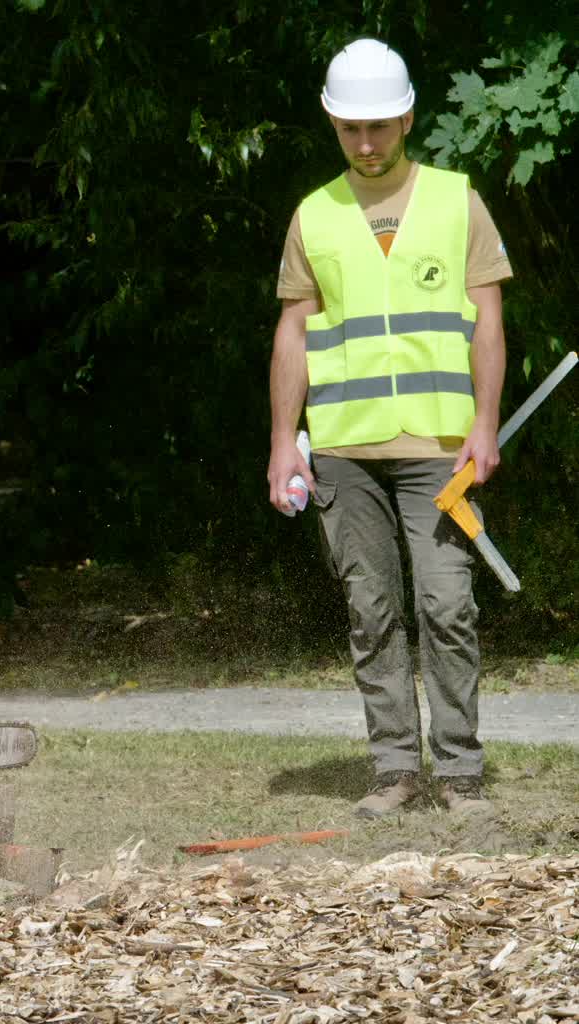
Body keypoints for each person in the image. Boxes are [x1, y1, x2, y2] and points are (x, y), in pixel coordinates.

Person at [266, 39, 512, 820]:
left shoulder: (456, 199)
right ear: (331, 126)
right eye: (349, 130)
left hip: (438, 450)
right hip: (341, 450)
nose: (365, 144)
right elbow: (291, 334)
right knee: (370, 612)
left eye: (378, 126)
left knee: (446, 607)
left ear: (407, 117)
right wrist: (282, 441)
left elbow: (487, 322)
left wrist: (484, 424)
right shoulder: (313, 214)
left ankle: (461, 773)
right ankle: (394, 770)